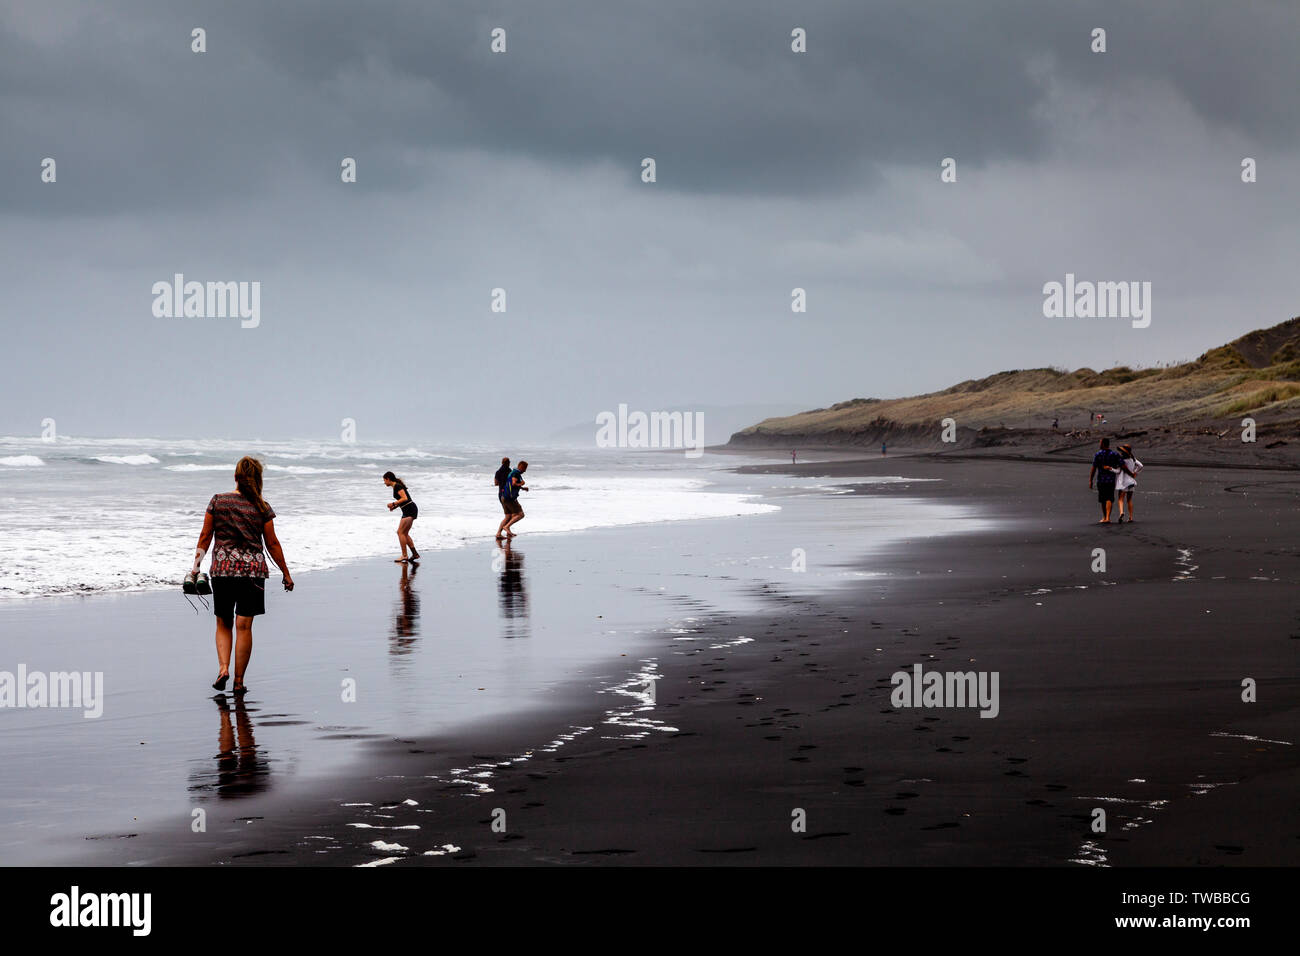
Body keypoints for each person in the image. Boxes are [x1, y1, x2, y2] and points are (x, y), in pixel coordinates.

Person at [192, 456, 293, 696]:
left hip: (222, 572)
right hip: (252, 573)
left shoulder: (218, 501)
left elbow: (205, 537)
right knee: (244, 626)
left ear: (235, 476)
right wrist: (286, 573)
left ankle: (223, 668)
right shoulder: (261, 506)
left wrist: (196, 566)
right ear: (258, 479)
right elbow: (273, 543)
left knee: (223, 622)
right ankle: (238, 681)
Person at [1088, 438, 1133, 524]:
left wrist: (1091, 480)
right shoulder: (1114, 454)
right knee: (1109, 498)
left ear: (1103, 444)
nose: (1099, 444)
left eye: (1100, 443)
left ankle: (1105, 517)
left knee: (1102, 499)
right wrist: (1130, 473)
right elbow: (1123, 466)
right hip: (1111, 480)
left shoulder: (1098, 454)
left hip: (1101, 479)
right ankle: (1108, 517)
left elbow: (1094, 468)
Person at [383, 472, 419, 563]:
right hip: (409, 509)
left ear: (388, 479)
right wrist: (394, 507)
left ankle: (404, 555)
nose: (384, 482)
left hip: (409, 509)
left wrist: (393, 503)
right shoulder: (396, 486)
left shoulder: (397, 486)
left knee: (400, 532)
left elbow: (404, 498)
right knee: (404, 533)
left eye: (384, 480)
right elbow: (403, 501)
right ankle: (414, 554)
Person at [496, 460, 529, 539]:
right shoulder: (516, 473)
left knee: (508, 516)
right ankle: (507, 527)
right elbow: (514, 483)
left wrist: (523, 488)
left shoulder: (513, 472)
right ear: (521, 467)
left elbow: (511, 484)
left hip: (504, 496)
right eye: (525, 468)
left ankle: (499, 533)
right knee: (520, 514)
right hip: (510, 498)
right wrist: (521, 483)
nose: (525, 470)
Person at [1115, 444, 1143, 523]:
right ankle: (1130, 517)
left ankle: (1121, 512)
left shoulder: (1122, 460)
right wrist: (1135, 473)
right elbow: (1141, 465)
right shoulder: (1133, 459)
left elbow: (1118, 470)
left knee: (1120, 499)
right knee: (1129, 500)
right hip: (1131, 481)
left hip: (1124, 482)